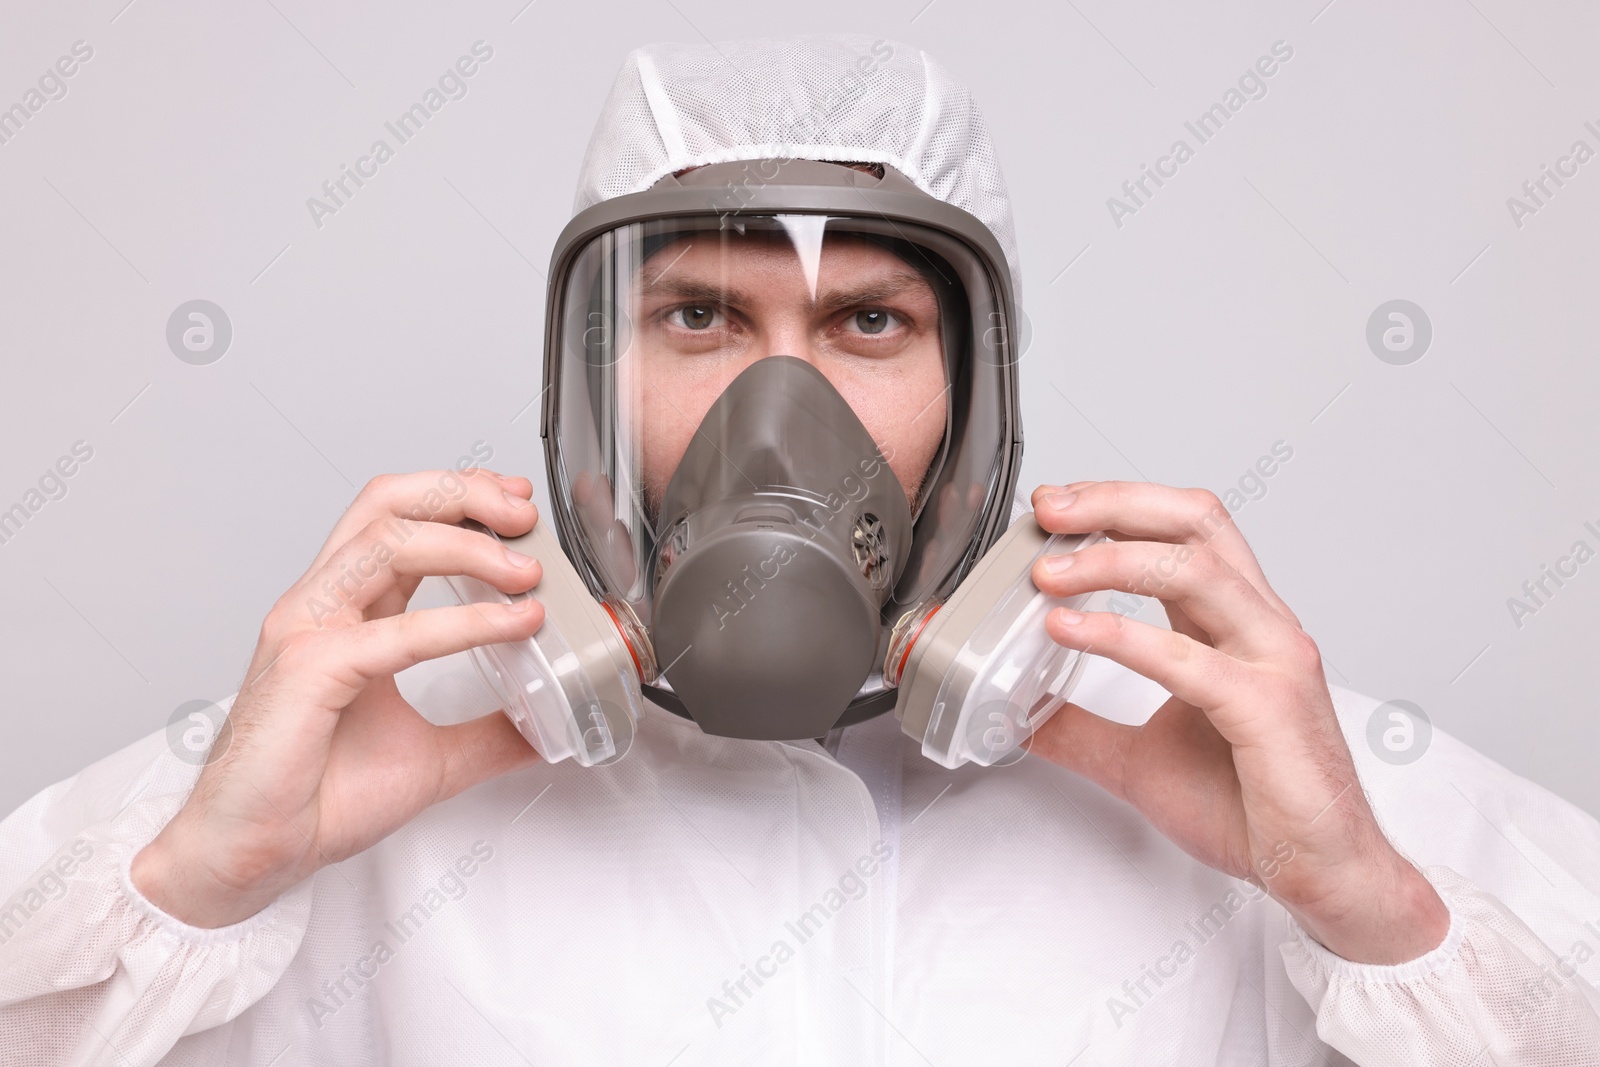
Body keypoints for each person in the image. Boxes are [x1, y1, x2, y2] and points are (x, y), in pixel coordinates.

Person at [3, 34, 1599, 1067]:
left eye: (868, 320)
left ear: (975, 393)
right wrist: (194, 889)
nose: (788, 406)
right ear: (585, 384)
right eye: (699, 313)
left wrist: (1372, 915)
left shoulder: (1287, 788)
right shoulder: (315, 778)